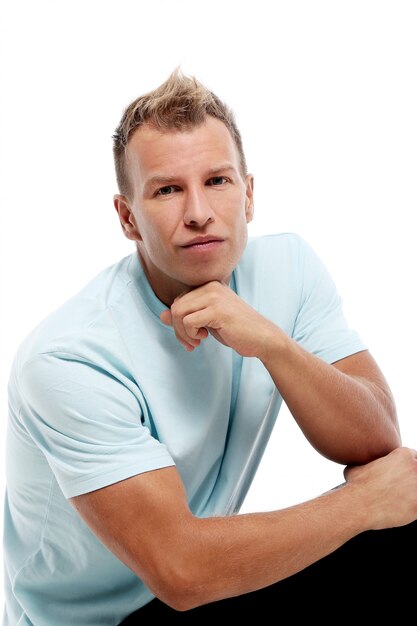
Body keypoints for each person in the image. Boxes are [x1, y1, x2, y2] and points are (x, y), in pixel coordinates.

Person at [3, 68, 417, 626]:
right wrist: (363, 504)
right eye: (168, 189)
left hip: (212, 584)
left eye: (218, 181)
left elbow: (376, 443)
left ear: (249, 195)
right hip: (107, 618)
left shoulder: (289, 267)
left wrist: (274, 344)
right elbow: (181, 571)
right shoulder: (68, 360)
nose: (198, 211)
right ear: (127, 218)